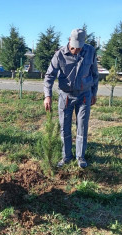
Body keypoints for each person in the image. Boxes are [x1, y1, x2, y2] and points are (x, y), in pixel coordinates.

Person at [43, 28, 99, 168]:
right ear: (69, 40)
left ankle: (80, 157)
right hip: (66, 96)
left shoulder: (90, 51)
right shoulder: (59, 54)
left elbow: (95, 74)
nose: (77, 50)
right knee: (65, 126)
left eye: (79, 47)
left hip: (84, 95)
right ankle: (66, 156)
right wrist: (47, 95)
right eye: (74, 47)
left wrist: (94, 92)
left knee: (82, 125)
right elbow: (49, 76)